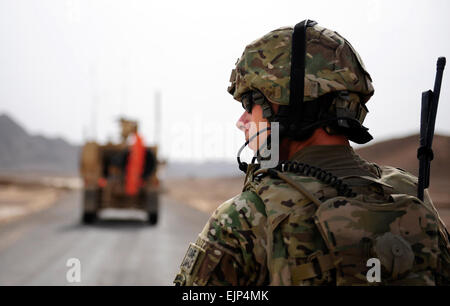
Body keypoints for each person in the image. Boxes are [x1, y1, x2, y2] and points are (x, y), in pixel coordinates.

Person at [174, 20, 450, 286]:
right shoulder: (412, 192)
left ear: (286, 107)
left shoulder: (247, 216)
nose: (242, 120)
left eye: (250, 104)